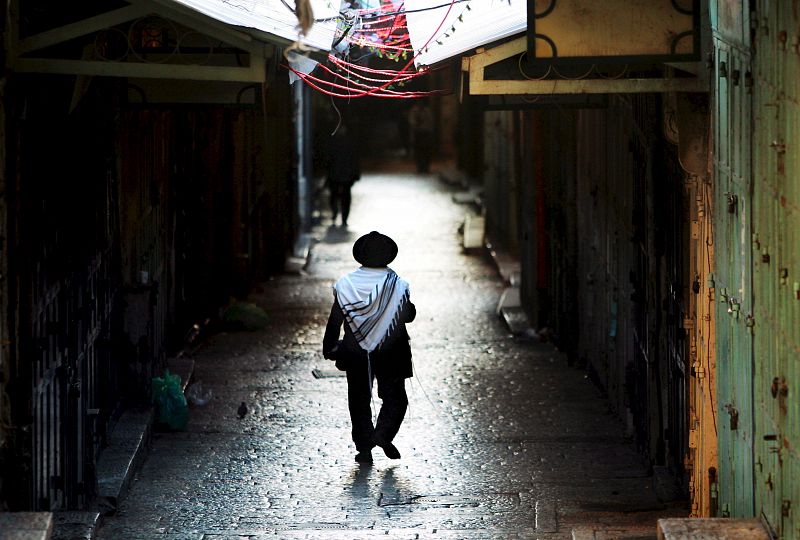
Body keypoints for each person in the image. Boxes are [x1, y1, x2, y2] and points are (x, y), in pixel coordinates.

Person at [322, 231, 416, 464]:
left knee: (359, 399)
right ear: (388, 256)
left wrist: (330, 346)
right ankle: (383, 434)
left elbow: (335, 318)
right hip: (391, 351)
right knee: (395, 398)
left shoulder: (345, 284)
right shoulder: (397, 284)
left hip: (355, 351)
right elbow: (408, 315)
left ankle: (364, 447)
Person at [325, 125, 360, 227]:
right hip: (344, 175)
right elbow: (355, 160)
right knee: (345, 198)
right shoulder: (350, 142)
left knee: (336, 196)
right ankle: (343, 217)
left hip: (336, 174)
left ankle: (337, 214)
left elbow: (328, 159)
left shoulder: (333, 142)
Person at [408, 100, 433, 173]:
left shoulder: (427, 111)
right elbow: (412, 122)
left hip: (426, 133)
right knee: (418, 151)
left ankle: (426, 167)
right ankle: (420, 167)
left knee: (426, 151)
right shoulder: (414, 111)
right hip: (418, 133)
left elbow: (430, 121)